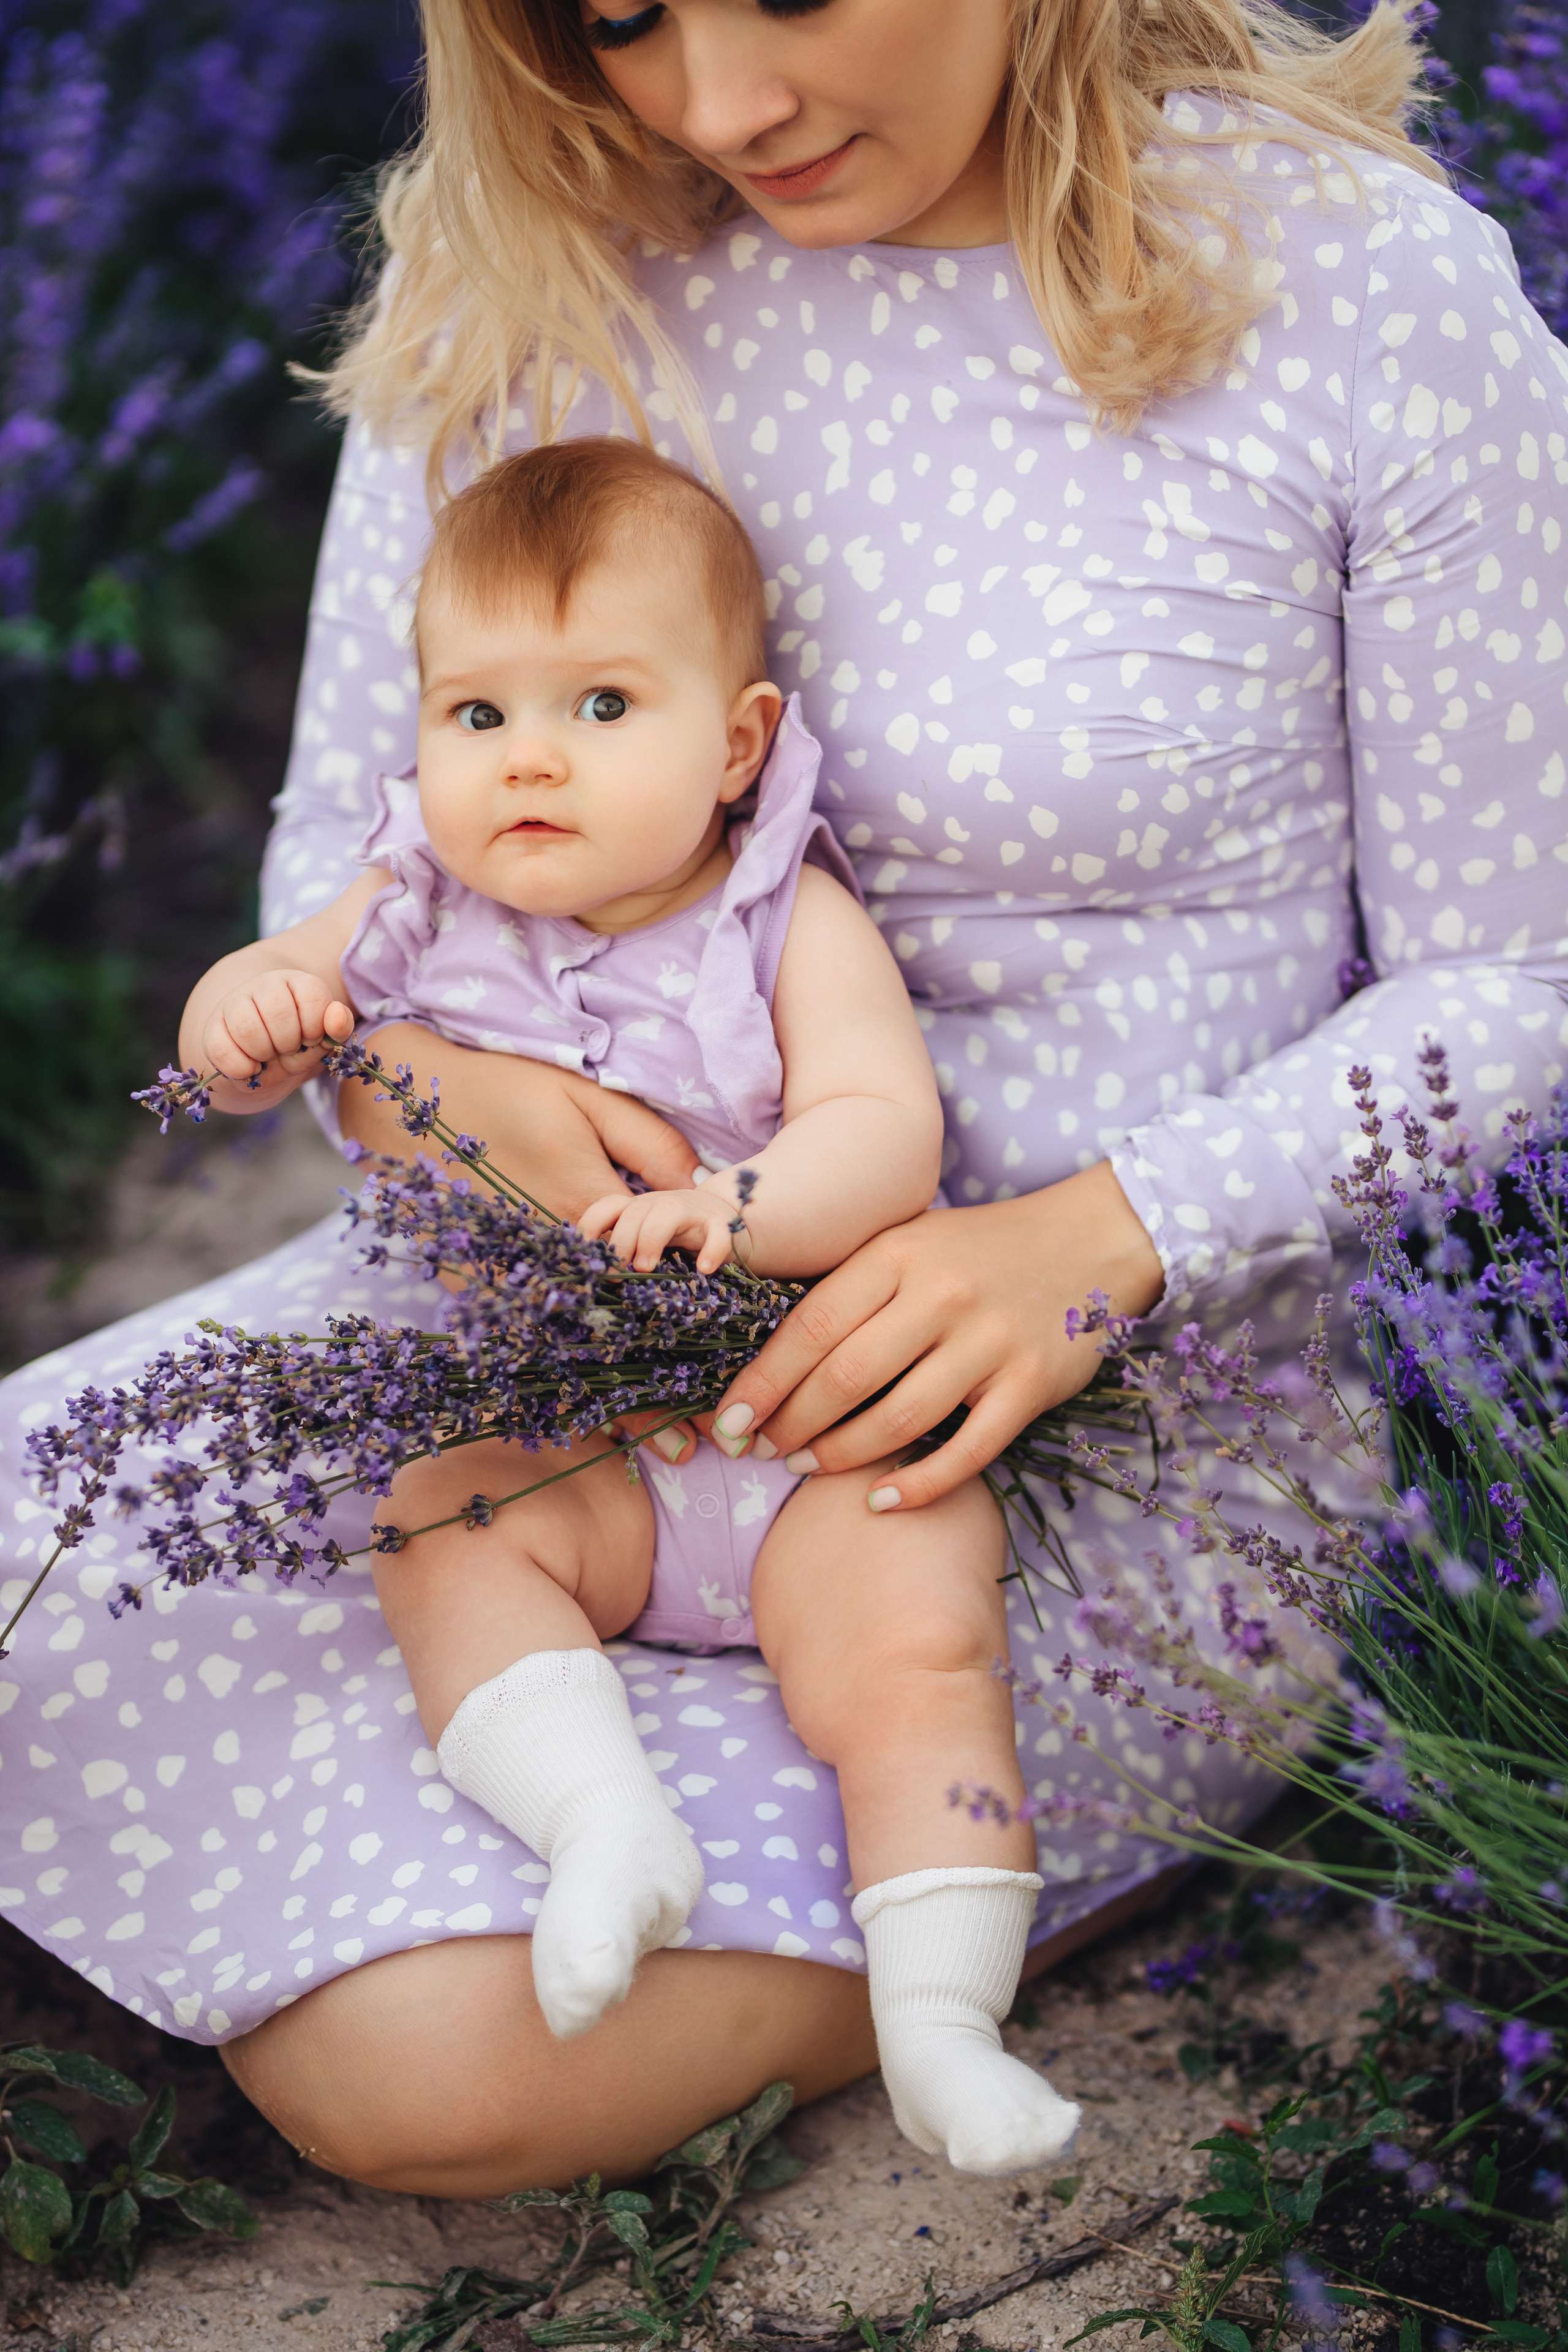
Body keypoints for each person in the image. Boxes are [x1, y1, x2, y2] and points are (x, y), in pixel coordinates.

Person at [0, 0, 1562, 2197]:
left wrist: (1091, 1239)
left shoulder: (1361, 291)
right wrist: (433, 1090)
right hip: (522, 1342)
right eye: (623, 16)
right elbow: (347, 857)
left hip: (1073, 1437)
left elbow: (1520, 976)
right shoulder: (533, 259)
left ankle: (955, 1865)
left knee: (426, 2078)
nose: (722, 107)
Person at [184, 435, 1083, 2174]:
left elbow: (883, 1131)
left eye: (602, 706)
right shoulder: (415, 901)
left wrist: (724, 1211)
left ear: (735, 744)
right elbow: (279, 988)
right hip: (590, 1453)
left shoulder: (778, 922)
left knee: (916, 1654)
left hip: (805, 1425)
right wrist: (248, 1017)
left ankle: (940, 2019)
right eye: (478, 715)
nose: (529, 757)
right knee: (442, 1516)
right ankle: (605, 1829)